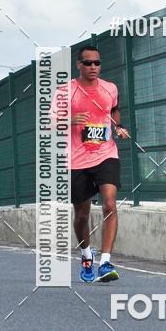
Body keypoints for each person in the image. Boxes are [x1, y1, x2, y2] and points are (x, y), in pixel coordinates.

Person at [53, 46, 130, 283]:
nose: (93, 67)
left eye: (97, 63)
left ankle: (105, 262)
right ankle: (86, 255)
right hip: (76, 159)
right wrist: (70, 120)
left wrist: (117, 127)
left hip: (106, 154)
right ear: (79, 65)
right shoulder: (66, 92)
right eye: (88, 63)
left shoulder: (110, 88)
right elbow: (48, 122)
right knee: (82, 215)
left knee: (109, 204)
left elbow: (113, 110)